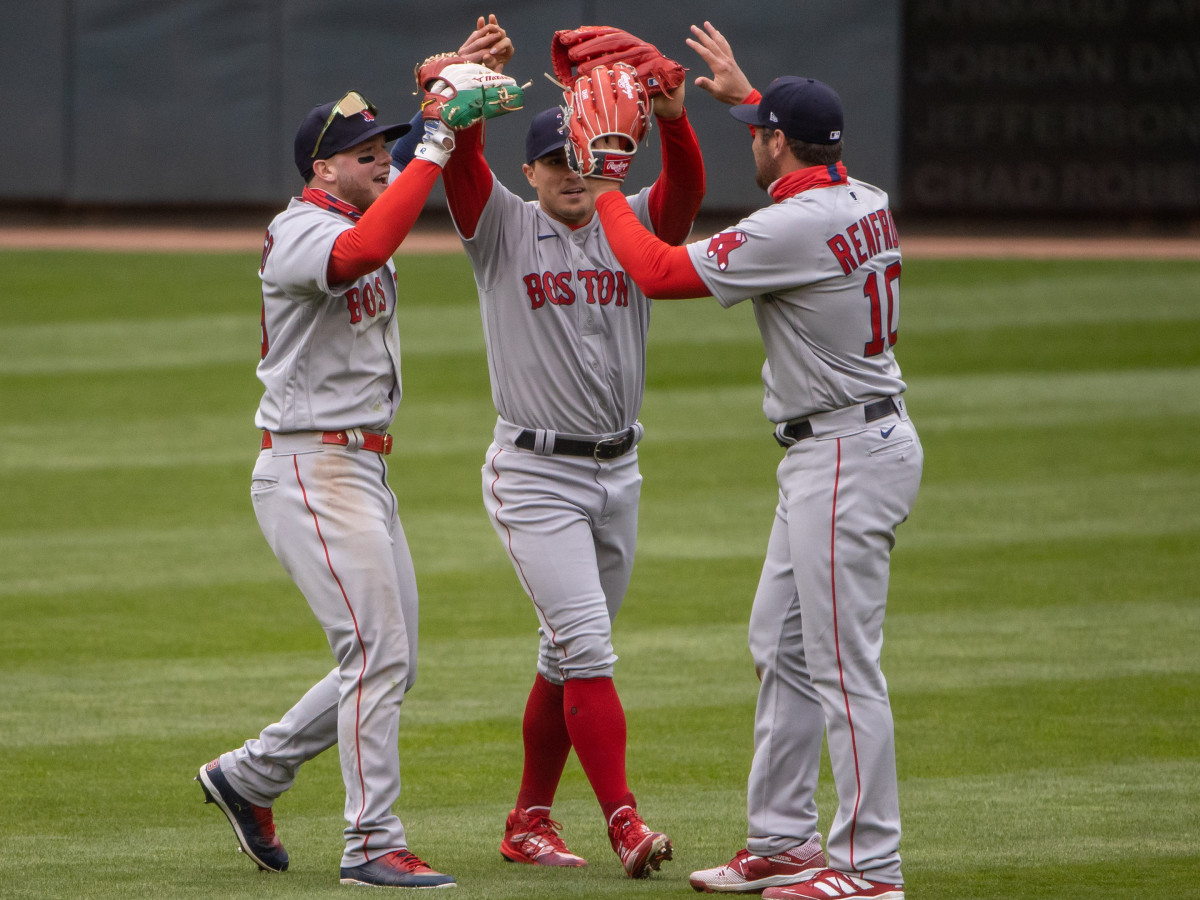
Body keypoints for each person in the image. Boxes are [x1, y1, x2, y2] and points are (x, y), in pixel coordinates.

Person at [580, 22, 923, 900]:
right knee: (782, 644)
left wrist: (609, 180)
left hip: (844, 452)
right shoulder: (865, 194)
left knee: (845, 667)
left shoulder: (789, 227)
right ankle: (783, 841)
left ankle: (870, 868)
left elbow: (655, 271)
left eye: (758, 132)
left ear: (778, 143)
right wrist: (742, 98)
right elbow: (800, 149)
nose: (753, 145)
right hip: (848, 443)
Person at [194, 24, 512, 887]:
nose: (383, 158)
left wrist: (446, 84)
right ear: (322, 168)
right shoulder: (302, 228)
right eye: (363, 151)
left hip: (359, 468)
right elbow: (365, 250)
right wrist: (436, 138)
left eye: (385, 146)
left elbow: (408, 164)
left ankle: (249, 775)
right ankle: (372, 843)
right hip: (311, 465)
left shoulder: (359, 191)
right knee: (375, 655)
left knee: (386, 658)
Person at [393, 18, 705, 880]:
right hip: (534, 474)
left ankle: (529, 820)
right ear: (530, 171)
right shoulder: (500, 227)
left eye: (584, 160)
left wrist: (674, 121)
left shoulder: (630, 219)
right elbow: (460, 161)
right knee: (590, 648)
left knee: (564, 657)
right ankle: (625, 823)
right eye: (555, 163)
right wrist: (462, 80)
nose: (572, 176)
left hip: (620, 471)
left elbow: (685, 190)